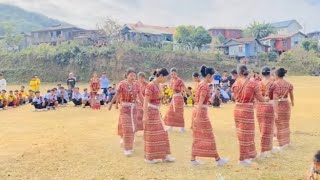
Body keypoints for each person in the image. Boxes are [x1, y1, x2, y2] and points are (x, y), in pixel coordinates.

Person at [232, 65, 269, 166]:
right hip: (247, 111)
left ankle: (251, 154)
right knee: (247, 134)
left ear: (239, 73)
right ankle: (242, 159)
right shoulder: (253, 83)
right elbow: (260, 99)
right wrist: (266, 99)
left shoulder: (235, 83)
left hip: (237, 109)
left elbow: (234, 97)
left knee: (242, 134)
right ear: (247, 72)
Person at [191, 65, 228, 166]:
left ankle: (193, 159)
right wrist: (198, 116)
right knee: (209, 135)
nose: (213, 78)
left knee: (198, 136)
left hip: (197, 110)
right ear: (208, 75)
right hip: (201, 112)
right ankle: (217, 159)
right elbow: (200, 102)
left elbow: (200, 101)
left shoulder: (200, 84)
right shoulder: (205, 86)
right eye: (212, 76)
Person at [109, 68, 144, 157]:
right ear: (127, 75)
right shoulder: (122, 84)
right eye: (131, 75)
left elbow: (140, 96)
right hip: (125, 108)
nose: (133, 77)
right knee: (127, 128)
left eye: (134, 76)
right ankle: (127, 148)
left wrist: (145, 106)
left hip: (134, 109)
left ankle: (130, 145)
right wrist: (111, 104)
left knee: (132, 128)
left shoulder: (137, 85)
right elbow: (117, 94)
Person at [143, 68, 175, 164]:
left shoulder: (158, 85)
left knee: (163, 133)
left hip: (156, 111)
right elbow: (145, 101)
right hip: (150, 112)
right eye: (166, 77)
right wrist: (145, 115)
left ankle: (164, 155)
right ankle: (149, 157)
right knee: (153, 134)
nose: (166, 79)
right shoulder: (150, 85)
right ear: (161, 76)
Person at [256, 66, 276, 158]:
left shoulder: (258, 83)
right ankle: (264, 150)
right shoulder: (273, 84)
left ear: (261, 74)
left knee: (262, 128)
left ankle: (269, 148)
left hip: (259, 107)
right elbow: (274, 98)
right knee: (268, 129)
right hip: (268, 107)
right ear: (270, 73)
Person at [273, 68, 294, 151]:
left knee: (279, 124)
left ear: (277, 75)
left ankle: (281, 144)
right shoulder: (289, 84)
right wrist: (292, 102)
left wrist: (274, 109)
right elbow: (291, 95)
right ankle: (287, 142)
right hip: (286, 104)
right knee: (286, 123)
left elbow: (274, 98)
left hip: (278, 105)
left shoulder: (274, 84)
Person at [164, 68, 186, 132]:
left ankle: (181, 127)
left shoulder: (179, 80)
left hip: (179, 97)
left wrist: (180, 91)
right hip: (173, 97)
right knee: (171, 112)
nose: (173, 75)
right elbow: (171, 88)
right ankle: (170, 126)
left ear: (176, 74)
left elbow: (183, 88)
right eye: (172, 74)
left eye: (174, 74)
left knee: (179, 112)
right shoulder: (171, 80)